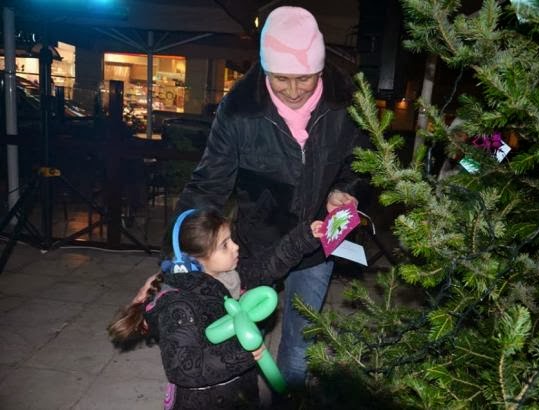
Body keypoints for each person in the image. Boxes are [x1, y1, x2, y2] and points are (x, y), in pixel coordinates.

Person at [174, 6, 367, 388]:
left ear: (321, 69)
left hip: (314, 246)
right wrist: (183, 250)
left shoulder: (345, 104)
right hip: (256, 247)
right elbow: (209, 183)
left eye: (306, 79)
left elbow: (362, 162)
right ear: (264, 70)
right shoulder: (240, 109)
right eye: (281, 79)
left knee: (299, 342)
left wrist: (345, 190)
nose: (294, 91)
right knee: (241, 338)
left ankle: (288, 400)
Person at [108, 209, 324, 409]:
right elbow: (185, 369)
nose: (236, 247)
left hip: (239, 389)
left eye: (231, 239)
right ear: (193, 260)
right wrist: (244, 354)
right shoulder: (178, 307)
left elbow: (268, 264)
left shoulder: (229, 276)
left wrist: (304, 237)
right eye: (225, 245)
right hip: (205, 400)